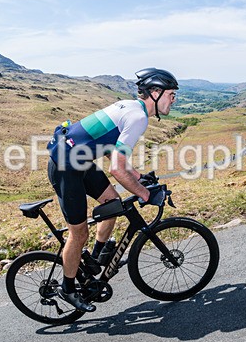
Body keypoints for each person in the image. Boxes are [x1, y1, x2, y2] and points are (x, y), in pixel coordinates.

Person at [46, 67, 178, 311]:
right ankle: (68, 288)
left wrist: (139, 176)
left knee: (112, 205)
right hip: (66, 167)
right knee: (79, 234)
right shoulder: (138, 118)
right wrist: (146, 194)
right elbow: (116, 169)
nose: (174, 100)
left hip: (79, 160)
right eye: (172, 94)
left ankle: (96, 258)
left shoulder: (130, 107)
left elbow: (111, 149)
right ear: (156, 93)